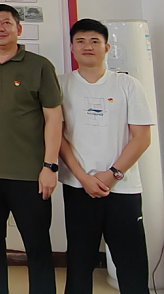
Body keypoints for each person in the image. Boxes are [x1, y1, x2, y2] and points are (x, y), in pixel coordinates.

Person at [0, 4, 62, 294]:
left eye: (6, 22)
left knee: (37, 246)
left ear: (18, 28)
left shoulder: (39, 66)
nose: (0, 28)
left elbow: (53, 118)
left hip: (30, 175)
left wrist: (50, 166)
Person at [59, 19, 154, 294]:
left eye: (94, 41)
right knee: (79, 261)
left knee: (132, 263)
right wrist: (82, 177)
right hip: (79, 187)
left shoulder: (127, 84)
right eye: (80, 41)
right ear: (72, 48)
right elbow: (57, 136)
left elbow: (142, 138)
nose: (87, 46)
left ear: (107, 47)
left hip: (123, 188)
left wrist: (113, 174)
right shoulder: (61, 84)